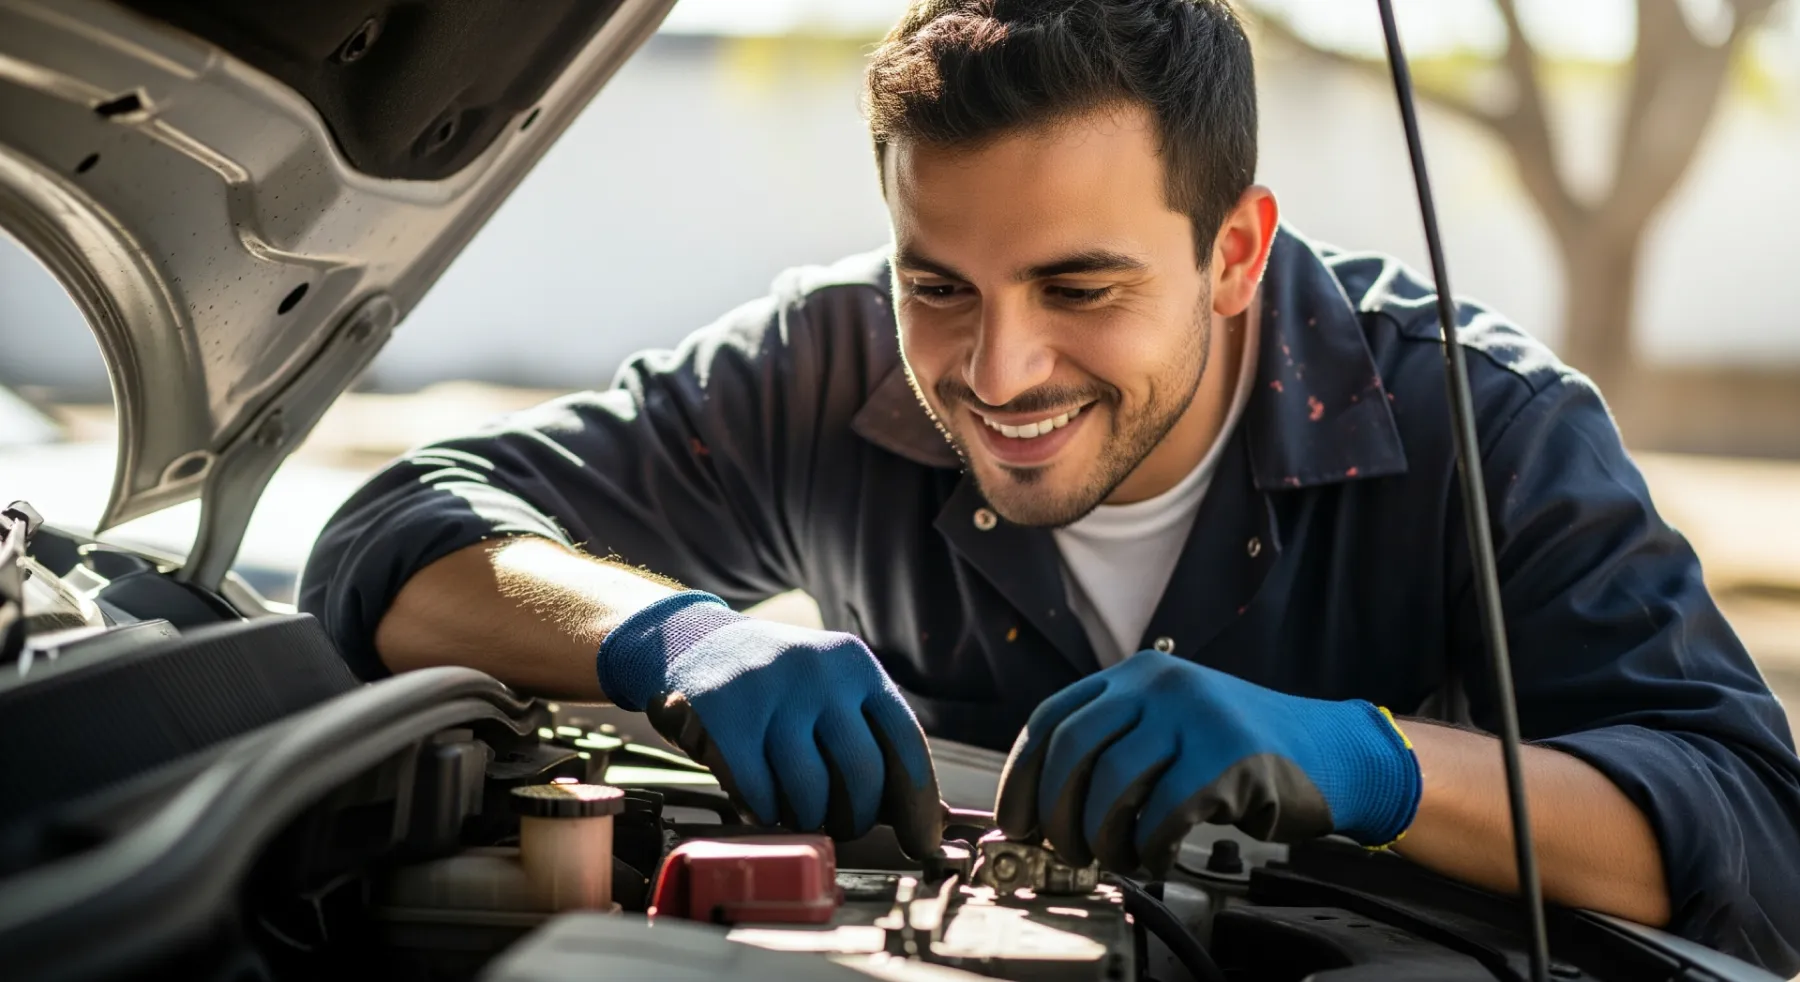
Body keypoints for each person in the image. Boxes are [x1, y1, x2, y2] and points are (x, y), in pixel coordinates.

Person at [298, 0, 1800, 970]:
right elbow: (395, 532)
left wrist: (1369, 761)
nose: (997, 371)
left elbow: (1750, 833)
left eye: (1080, 286)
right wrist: (678, 638)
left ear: (1235, 250)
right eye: (937, 283)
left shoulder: (1484, 424)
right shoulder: (823, 369)